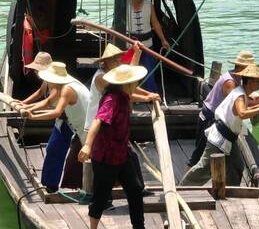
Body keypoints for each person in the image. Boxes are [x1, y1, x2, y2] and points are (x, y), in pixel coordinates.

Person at [84, 42, 160, 200]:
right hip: (98, 126)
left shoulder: (115, 77)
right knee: (103, 163)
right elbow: (127, 90)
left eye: (120, 59)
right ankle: (102, 199)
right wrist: (147, 97)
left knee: (129, 156)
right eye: (116, 60)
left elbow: (129, 85)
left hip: (112, 125)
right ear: (106, 62)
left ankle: (137, 189)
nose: (119, 63)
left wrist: (149, 95)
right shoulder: (101, 78)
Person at [180, 64, 259, 186]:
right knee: (204, 168)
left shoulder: (242, 93)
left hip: (230, 137)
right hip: (220, 136)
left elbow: (243, 110)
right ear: (249, 82)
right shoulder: (239, 95)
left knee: (237, 166)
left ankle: (231, 191)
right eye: (258, 80)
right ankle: (183, 188)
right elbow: (242, 113)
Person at [78, 64, 148, 229]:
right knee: (100, 198)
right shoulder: (112, 99)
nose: (136, 86)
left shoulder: (123, 95)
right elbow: (98, 120)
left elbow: (134, 96)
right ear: (126, 84)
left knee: (135, 189)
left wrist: (149, 97)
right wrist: (87, 145)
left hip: (122, 154)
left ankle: (139, 226)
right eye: (135, 83)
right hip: (106, 157)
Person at [187, 50, 259, 169]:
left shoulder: (237, 77)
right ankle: (184, 184)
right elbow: (238, 103)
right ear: (240, 66)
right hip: (210, 116)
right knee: (198, 155)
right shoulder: (230, 82)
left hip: (219, 118)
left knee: (216, 157)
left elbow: (243, 95)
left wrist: (255, 98)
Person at [23, 62, 90, 192]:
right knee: (69, 158)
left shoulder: (67, 89)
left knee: (86, 161)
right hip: (78, 127)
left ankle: (96, 194)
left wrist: (32, 117)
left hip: (87, 128)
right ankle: (53, 187)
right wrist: (27, 107)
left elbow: (56, 112)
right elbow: (49, 103)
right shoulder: (64, 86)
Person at [126, 0, 170, 93]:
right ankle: (130, 94)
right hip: (130, 45)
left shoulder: (148, 4)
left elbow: (155, 23)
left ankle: (151, 95)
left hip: (147, 44)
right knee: (130, 71)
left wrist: (163, 40)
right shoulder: (124, 4)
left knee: (149, 71)